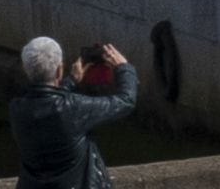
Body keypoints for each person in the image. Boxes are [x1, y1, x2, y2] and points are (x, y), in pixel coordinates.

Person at [8, 35, 133, 189]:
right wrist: (124, 68)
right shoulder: (74, 108)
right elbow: (125, 101)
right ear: (59, 70)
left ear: (26, 70)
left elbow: (46, 104)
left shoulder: (17, 109)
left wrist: (70, 82)